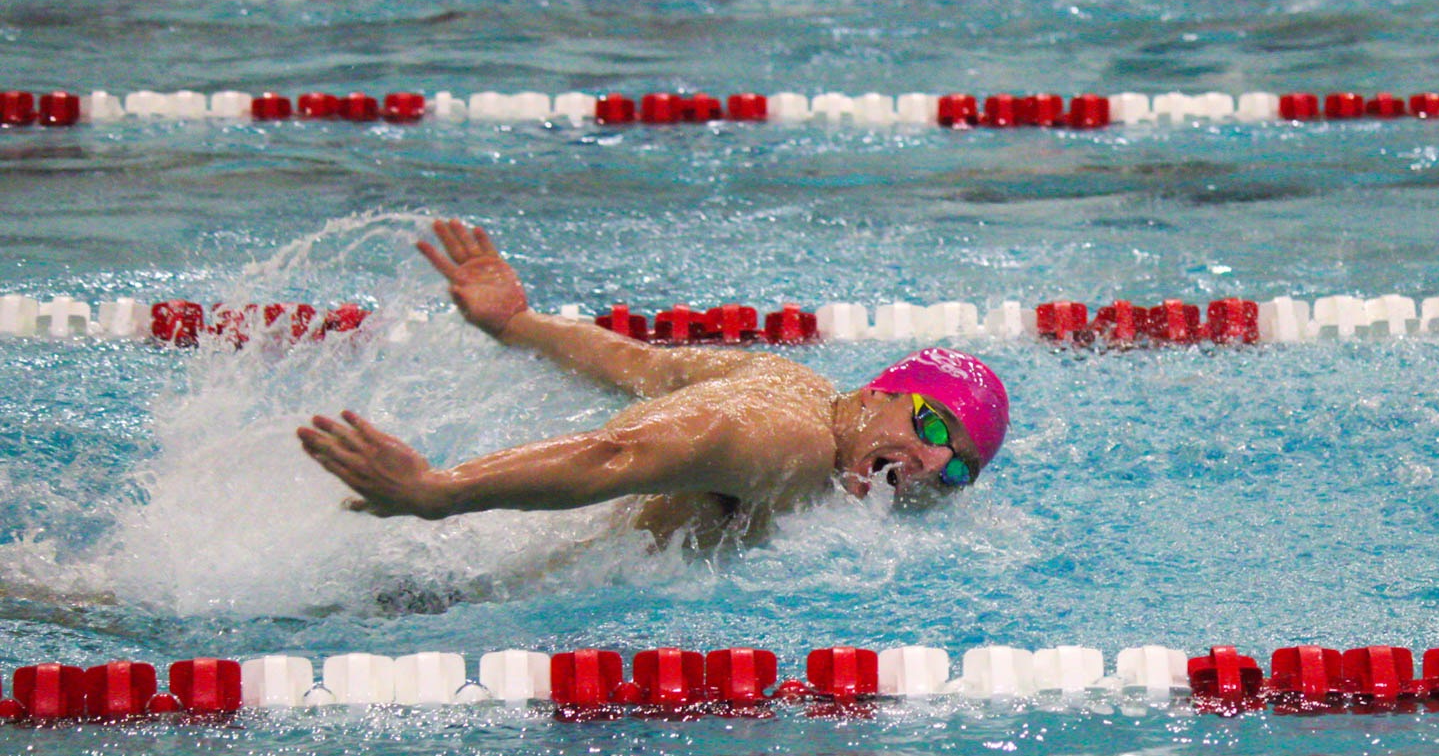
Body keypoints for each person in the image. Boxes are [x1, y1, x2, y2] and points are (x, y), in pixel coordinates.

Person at [297, 219, 1010, 547]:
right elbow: (620, 454)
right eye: (934, 425)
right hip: (504, 589)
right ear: (881, 390)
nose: (934, 463)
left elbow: (636, 364)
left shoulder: (784, 376)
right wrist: (441, 493)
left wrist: (516, 324)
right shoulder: (787, 443)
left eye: (959, 471)